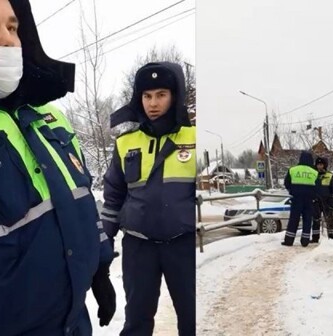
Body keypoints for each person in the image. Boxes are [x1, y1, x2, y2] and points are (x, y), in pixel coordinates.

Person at [0, 0, 115, 334]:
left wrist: (100, 268)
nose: (6, 39)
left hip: (72, 320)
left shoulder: (51, 119)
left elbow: (83, 199)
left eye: (13, 27)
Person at [101, 62, 196, 335]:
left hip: (183, 245)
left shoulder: (193, 138)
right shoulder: (125, 142)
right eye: (146, 96)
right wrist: (104, 240)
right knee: (136, 322)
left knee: (192, 319)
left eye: (161, 95)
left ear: (174, 96)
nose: (152, 103)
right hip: (138, 247)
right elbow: (113, 197)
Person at [282, 151, 319, 247]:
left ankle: (289, 241)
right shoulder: (314, 172)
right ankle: (305, 241)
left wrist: (292, 190)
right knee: (307, 220)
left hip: (296, 198)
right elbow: (318, 187)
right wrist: (313, 195)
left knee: (293, 219)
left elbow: (286, 183)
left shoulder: (292, 170)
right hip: (309, 200)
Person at [312, 157, 333, 243]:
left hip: (327, 202)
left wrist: (332, 201)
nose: (319, 166)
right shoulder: (313, 175)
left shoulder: (330, 175)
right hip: (316, 201)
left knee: (329, 220)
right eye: (318, 164)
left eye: (321, 164)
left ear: (324, 165)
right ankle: (315, 238)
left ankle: (332, 239)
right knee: (315, 220)